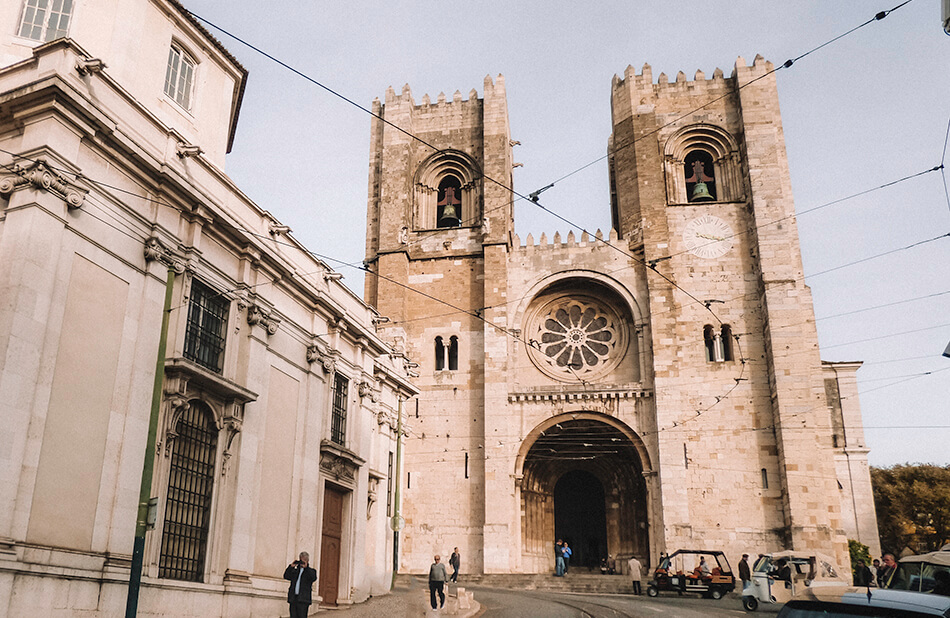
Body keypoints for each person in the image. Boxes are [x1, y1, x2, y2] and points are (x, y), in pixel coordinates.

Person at [283, 551, 317, 618]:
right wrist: (291, 567)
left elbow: (313, 578)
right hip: (294, 598)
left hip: (303, 600)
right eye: (301, 560)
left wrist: (306, 567)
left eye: (304, 560)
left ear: (307, 560)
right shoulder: (295, 571)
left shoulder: (311, 571)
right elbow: (286, 576)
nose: (302, 562)